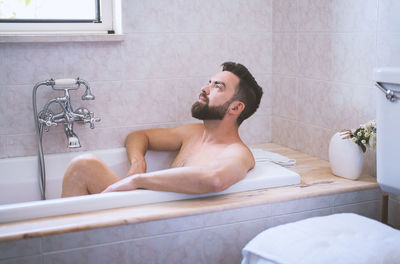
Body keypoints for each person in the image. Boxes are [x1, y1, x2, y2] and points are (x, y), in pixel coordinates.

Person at [61, 62, 263, 197]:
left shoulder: (238, 153)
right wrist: (138, 163)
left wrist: (137, 181)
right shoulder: (193, 133)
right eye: (208, 82)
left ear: (236, 107)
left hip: (165, 222)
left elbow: (213, 179)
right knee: (83, 165)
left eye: (217, 86)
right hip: (147, 208)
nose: (204, 88)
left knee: (83, 166)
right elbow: (139, 137)